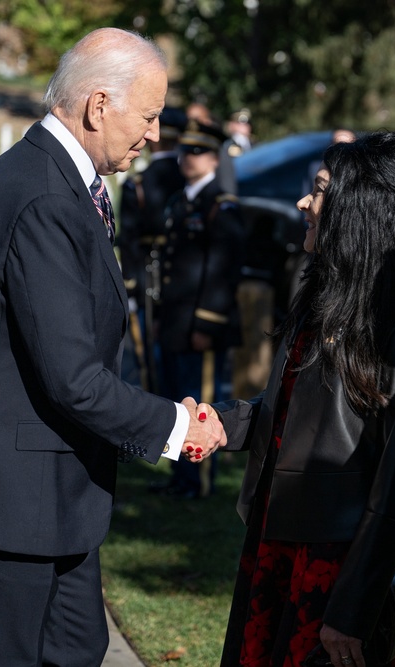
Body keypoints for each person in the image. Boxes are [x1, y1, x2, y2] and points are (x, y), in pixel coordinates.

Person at [0, 28, 225, 666]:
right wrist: (176, 425)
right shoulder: (42, 194)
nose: (157, 134)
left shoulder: (57, 180)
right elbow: (75, 379)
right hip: (8, 507)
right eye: (149, 115)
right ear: (98, 106)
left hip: (51, 500)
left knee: (78, 652)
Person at [210, 130, 395, 667]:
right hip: (278, 540)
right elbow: (294, 415)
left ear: (364, 206)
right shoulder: (330, 292)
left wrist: (356, 604)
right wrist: (221, 423)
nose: (305, 203)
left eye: (321, 190)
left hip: (338, 562)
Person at [153, 120, 247, 499]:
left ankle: (201, 481)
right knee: (179, 401)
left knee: (202, 403)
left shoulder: (221, 205)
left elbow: (223, 270)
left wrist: (207, 321)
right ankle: (181, 478)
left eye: (198, 152)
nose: (188, 159)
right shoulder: (182, 201)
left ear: (214, 158)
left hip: (203, 324)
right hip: (177, 320)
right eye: (185, 151)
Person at [118, 106, 187, 390]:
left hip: (147, 277)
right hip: (184, 280)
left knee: (151, 361)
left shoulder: (138, 184)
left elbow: (129, 240)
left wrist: (131, 283)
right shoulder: (189, 180)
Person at [187, 101, 237, 195]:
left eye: (197, 119)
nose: (192, 124)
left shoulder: (218, 148)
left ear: (207, 121)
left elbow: (227, 186)